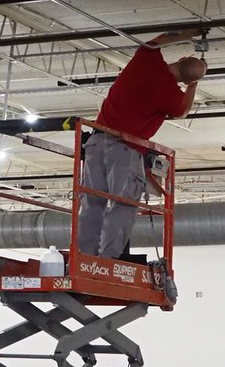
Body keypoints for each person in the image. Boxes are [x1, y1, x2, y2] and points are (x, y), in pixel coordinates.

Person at [77, 28, 207, 259]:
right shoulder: (171, 94)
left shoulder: (146, 60)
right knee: (123, 204)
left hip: (96, 142)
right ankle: (107, 259)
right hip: (125, 150)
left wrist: (190, 33)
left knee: (92, 203)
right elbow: (182, 112)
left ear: (181, 58)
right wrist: (193, 85)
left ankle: (85, 256)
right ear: (188, 80)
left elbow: (158, 40)